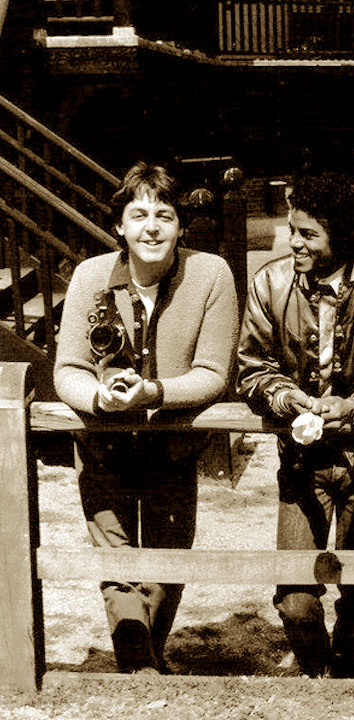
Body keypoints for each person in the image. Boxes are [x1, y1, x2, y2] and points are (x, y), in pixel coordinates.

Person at [237, 172, 354, 679]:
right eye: (291, 230)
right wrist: (284, 396)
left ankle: (353, 674)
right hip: (301, 460)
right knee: (295, 594)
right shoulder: (269, 283)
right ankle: (315, 672)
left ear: (342, 236)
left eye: (308, 234)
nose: (293, 243)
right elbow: (252, 367)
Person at [54, 161, 238, 676]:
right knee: (117, 565)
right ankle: (141, 670)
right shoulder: (90, 276)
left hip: (172, 447)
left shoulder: (211, 274)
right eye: (138, 215)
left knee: (167, 562)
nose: (151, 228)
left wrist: (153, 392)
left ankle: (143, 663)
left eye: (164, 216)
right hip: (102, 444)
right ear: (119, 226)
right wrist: (99, 399)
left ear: (181, 226)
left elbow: (213, 373)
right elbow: (68, 369)